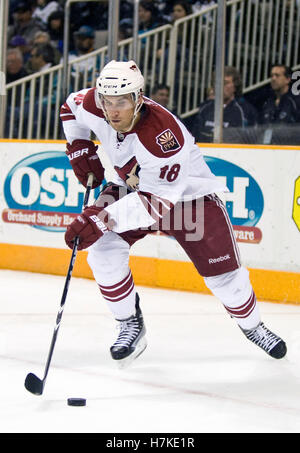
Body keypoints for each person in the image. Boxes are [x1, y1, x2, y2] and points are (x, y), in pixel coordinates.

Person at [60, 60, 287, 367]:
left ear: (138, 98)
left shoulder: (163, 137)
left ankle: (253, 326)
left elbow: (155, 204)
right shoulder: (95, 102)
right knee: (103, 251)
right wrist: (78, 144)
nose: (112, 111)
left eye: (121, 102)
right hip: (130, 189)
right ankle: (129, 323)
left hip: (190, 200)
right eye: (107, 102)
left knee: (225, 278)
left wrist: (100, 219)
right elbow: (69, 108)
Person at [191, 66, 258, 142]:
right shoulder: (204, 108)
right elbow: (195, 136)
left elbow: (249, 140)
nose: (220, 86)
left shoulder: (245, 111)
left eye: (225, 83)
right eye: (217, 82)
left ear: (235, 86)